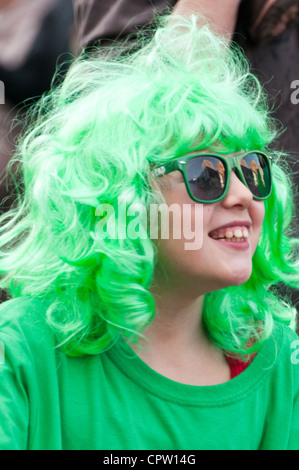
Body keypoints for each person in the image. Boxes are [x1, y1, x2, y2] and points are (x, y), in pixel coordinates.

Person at [0, 13, 298, 450]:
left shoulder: (278, 359)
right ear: (124, 198)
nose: (242, 196)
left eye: (251, 170)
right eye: (205, 174)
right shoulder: (22, 352)